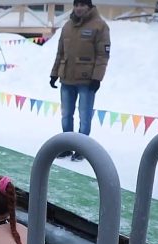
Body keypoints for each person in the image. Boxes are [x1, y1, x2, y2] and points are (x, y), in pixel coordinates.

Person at [50, 0, 110, 161]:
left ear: (89, 7)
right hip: (66, 79)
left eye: (82, 5)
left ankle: (82, 149)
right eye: (76, 5)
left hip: (86, 80)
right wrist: (54, 73)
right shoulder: (67, 26)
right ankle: (67, 146)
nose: (79, 8)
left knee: (85, 115)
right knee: (66, 115)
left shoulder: (100, 26)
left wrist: (97, 78)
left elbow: (103, 55)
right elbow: (60, 53)